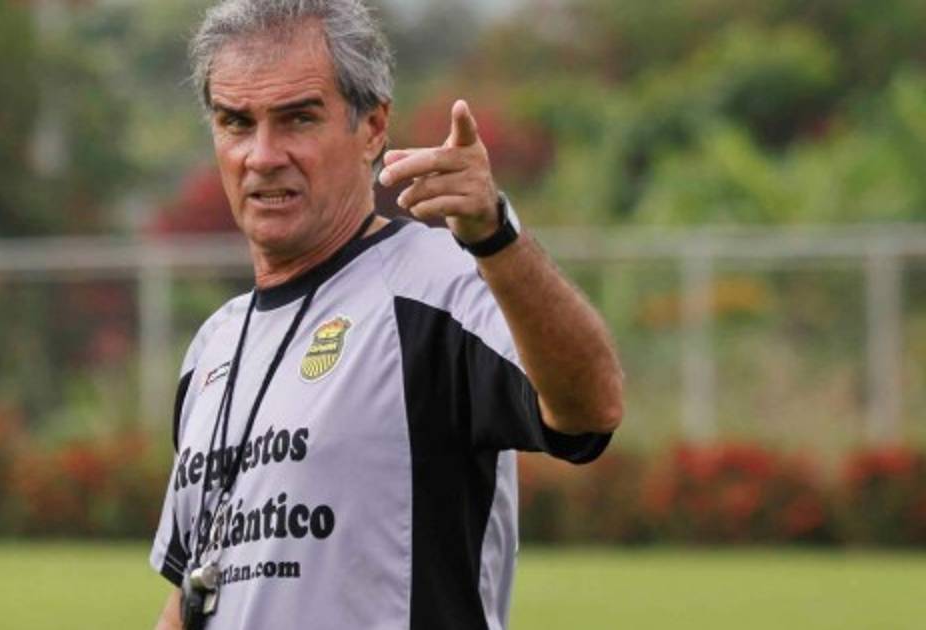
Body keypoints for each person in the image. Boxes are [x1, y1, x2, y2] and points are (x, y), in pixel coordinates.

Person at [151, 1, 624, 628]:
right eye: (236, 122)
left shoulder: (438, 286)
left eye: (298, 118)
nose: (262, 155)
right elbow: (193, 589)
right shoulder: (214, 347)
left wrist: (496, 237)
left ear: (373, 128)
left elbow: (591, 408)